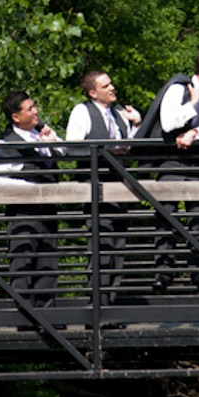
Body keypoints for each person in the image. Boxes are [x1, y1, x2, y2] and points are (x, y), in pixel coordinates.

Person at [134, 50, 199, 291]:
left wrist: (195, 133)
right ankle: (164, 273)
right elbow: (168, 122)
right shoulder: (178, 88)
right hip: (171, 160)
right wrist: (193, 104)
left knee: (198, 217)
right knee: (167, 215)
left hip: (197, 159)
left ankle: (198, 272)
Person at [65, 71, 142, 306]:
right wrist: (108, 151)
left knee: (118, 247)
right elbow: (73, 148)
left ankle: (110, 305)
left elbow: (133, 148)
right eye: (106, 85)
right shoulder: (82, 111)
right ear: (92, 92)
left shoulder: (119, 115)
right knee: (101, 247)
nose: (112, 87)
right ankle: (96, 307)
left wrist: (137, 124)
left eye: (111, 83)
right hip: (95, 188)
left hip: (120, 188)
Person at [0, 91, 66, 310]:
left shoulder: (43, 134)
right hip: (24, 214)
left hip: (48, 213)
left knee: (48, 265)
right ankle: (25, 319)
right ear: (16, 117)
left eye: (35, 107)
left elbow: (66, 151)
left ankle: (48, 315)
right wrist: (35, 192)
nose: (36, 112)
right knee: (23, 264)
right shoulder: (6, 144)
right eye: (30, 109)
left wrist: (52, 143)